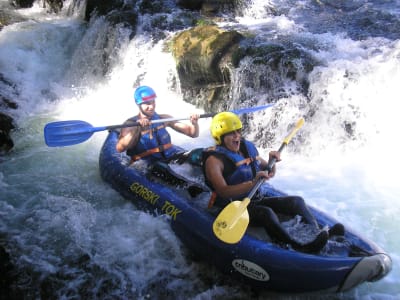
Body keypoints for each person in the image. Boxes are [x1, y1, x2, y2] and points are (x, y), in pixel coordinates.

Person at [203, 112, 344, 253]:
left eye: (238, 131)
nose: (237, 136)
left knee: (297, 201)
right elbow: (223, 190)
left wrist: (272, 161)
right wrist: (252, 183)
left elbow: (269, 172)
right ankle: (296, 246)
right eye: (231, 133)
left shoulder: (246, 148)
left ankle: (318, 234)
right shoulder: (214, 161)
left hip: (254, 198)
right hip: (230, 207)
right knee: (266, 213)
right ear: (220, 137)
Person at [116, 85, 200, 164]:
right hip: (151, 163)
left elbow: (193, 134)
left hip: (172, 156)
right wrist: (137, 129)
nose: (152, 106)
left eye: (153, 102)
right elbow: (120, 148)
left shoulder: (163, 118)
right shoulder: (131, 124)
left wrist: (194, 123)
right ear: (139, 104)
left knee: (203, 154)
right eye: (147, 103)